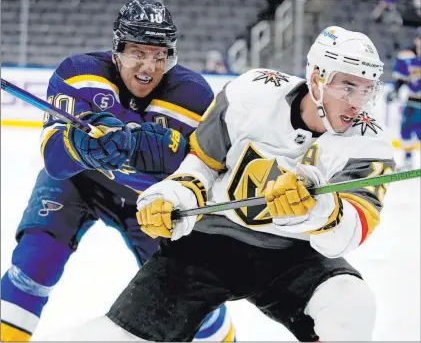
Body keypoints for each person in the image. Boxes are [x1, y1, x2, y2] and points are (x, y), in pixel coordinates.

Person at [46, 26, 396, 342]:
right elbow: (202, 163)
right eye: (347, 85)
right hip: (211, 242)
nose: (357, 102)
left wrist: (317, 208)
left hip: (294, 254)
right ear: (318, 78)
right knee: (117, 337)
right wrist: (170, 198)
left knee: (352, 303)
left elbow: (353, 228)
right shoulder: (253, 93)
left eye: (367, 89)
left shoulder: (369, 142)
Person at [0, 0, 235, 342]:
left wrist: (172, 159)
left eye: (160, 55)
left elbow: (210, 172)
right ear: (117, 50)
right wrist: (81, 146)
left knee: (189, 292)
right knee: (34, 262)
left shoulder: (194, 97)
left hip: (151, 200)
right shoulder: (78, 75)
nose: (149, 65)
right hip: (78, 185)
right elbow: (54, 158)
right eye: (138, 52)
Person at [387, 27, 421, 170]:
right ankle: (407, 161)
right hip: (412, 100)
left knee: (418, 129)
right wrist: (395, 91)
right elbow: (401, 79)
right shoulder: (407, 55)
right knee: (406, 129)